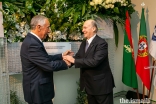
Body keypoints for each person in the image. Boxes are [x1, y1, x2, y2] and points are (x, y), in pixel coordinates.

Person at [20, 15, 72, 104]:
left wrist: (61, 56)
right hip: (38, 93)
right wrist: (66, 63)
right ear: (39, 27)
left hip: (39, 91)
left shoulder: (32, 40)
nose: (49, 31)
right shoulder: (32, 43)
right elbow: (48, 65)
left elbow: (44, 59)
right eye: (47, 27)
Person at [64, 19, 115, 104]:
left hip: (101, 86)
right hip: (89, 86)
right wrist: (68, 59)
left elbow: (94, 61)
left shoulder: (102, 43)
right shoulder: (84, 43)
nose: (82, 30)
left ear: (93, 28)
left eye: (85, 28)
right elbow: (79, 57)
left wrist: (74, 60)